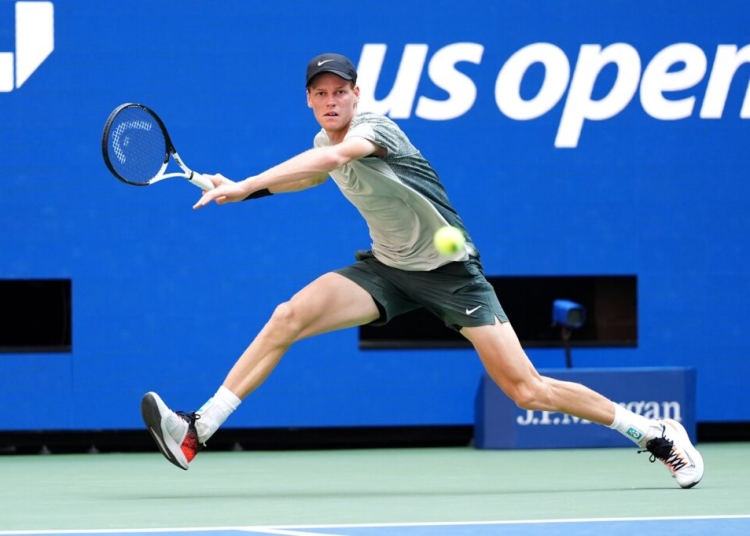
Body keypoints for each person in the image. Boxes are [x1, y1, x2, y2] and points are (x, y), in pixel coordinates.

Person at [140, 53, 704, 489]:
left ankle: (654, 433)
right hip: (387, 269)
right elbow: (310, 175)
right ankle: (198, 429)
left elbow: (334, 161)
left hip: (451, 275)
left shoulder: (376, 129)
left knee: (527, 391)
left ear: (357, 95)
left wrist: (247, 182)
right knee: (288, 316)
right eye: (321, 93)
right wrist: (240, 188)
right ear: (310, 101)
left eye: (341, 91)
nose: (332, 100)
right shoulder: (319, 139)